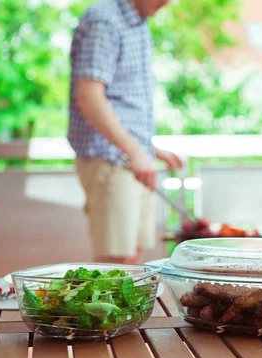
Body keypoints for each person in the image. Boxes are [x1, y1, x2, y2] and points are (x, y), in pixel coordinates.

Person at [68, 0, 183, 264]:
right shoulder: (104, 20)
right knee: (116, 264)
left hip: (131, 159)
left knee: (132, 259)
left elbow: (121, 102)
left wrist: (148, 149)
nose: (168, 2)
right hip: (111, 160)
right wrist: (134, 150)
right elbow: (89, 96)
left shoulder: (138, 22)